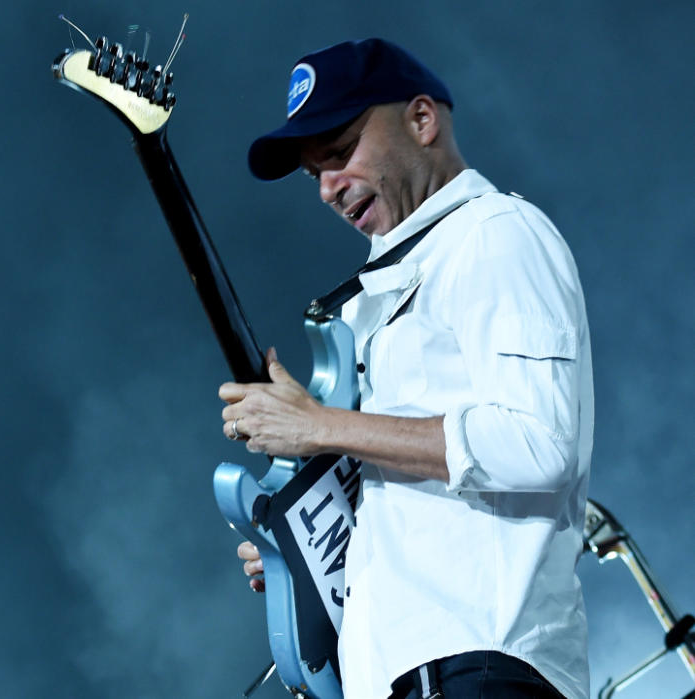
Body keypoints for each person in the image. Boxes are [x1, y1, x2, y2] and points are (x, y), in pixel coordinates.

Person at [220, 39, 592, 699]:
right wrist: (297, 559)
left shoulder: (493, 232)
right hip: (404, 676)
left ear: (422, 121)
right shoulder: (375, 298)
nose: (329, 189)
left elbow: (539, 443)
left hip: (480, 668)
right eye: (315, 175)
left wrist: (322, 425)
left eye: (338, 153)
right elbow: (402, 509)